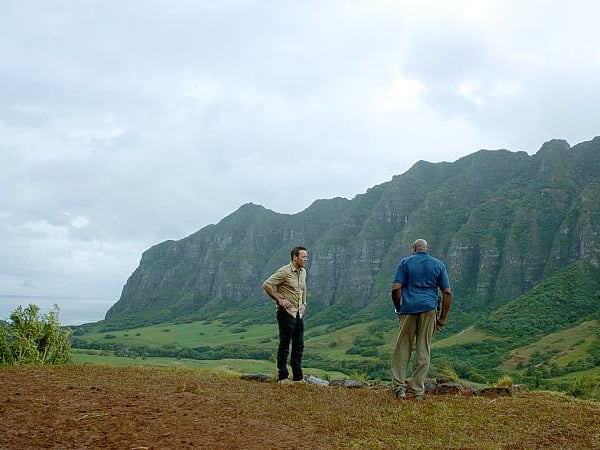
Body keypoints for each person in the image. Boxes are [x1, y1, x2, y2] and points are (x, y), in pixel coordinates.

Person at [390, 239, 452, 400]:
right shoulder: (438, 265)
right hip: (429, 310)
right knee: (423, 349)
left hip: (408, 309)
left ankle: (400, 388)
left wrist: (399, 308)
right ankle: (418, 391)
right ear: (426, 249)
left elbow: (396, 288)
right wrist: (442, 318)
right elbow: (447, 292)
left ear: (414, 249)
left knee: (402, 347)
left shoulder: (405, 263)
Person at [262, 246, 308, 383]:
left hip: (298, 313)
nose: (306, 259)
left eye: (306, 257)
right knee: (285, 344)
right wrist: (279, 299)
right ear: (295, 257)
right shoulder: (284, 271)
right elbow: (266, 285)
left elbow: (304, 288)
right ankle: (283, 376)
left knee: (299, 345)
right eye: (303, 257)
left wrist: (304, 304)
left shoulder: (303, 272)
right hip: (285, 313)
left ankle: (298, 377)